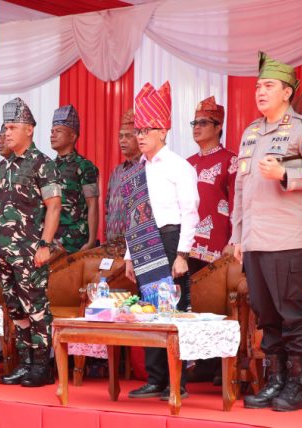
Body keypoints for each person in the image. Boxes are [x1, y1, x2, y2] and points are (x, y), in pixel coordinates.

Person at [230, 52, 302, 411]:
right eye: (258, 86)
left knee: (293, 314)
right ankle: (275, 381)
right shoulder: (250, 132)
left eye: (268, 86)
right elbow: (241, 190)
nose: (260, 91)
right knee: (266, 315)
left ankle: (298, 386)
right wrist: (237, 237)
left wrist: (286, 175)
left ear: (287, 92)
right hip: (256, 241)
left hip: (291, 240)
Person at [123, 82, 200, 400]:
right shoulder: (139, 169)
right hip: (143, 241)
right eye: (138, 130)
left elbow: (191, 212)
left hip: (170, 242)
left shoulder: (179, 166)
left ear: (164, 132)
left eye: (147, 130)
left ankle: (176, 382)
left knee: (172, 310)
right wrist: (129, 255)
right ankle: (155, 378)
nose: (140, 136)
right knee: (148, 310)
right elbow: (135, 215)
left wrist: (182, 253)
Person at [0, 97, 61, 387]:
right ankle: (25, 362)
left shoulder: (42, 164)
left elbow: (54, 206)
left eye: (12, 127)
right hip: (4, 253)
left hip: (31, 251)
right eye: (5, 128)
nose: (7, 133)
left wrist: (45, 245)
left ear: (29, 130)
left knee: (36, 308)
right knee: (15, 310)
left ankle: (43, 366)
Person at [186, 96, 237, 272]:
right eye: (194, 123)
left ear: (218, 127)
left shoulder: (231, 161)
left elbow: (237, 205)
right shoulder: (187, 163)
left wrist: (233, 242)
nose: (197, 127)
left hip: (217, 251)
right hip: (185, 250)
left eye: (203, 123)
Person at [50, 105, 99, 253]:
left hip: (74, 243)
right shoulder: (48, 167)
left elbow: (93, 204)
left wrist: (91, 241)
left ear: (72, 136)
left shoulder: (85, 166)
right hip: (51, 242)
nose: (53, 135)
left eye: (58, 131)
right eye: (52, 131)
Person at [105, 109, 140, 242]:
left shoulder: (147, 168)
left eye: (128, 136)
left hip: (136, 245)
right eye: (120, 136)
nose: (123, 140)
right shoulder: (117, 171)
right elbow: (107, 208)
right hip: (112, 245)